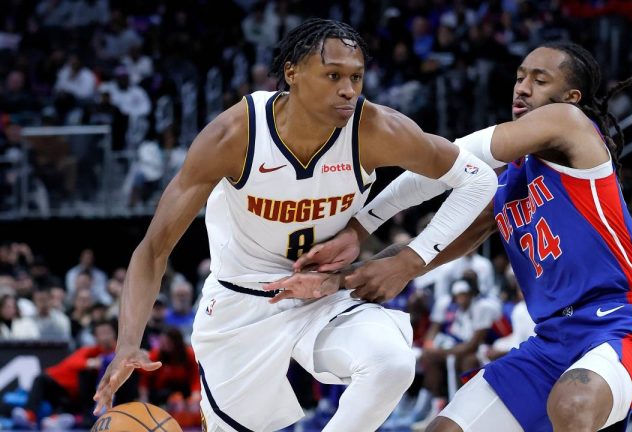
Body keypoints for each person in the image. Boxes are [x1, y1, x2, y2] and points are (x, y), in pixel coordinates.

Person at [92, 18, 497, 432]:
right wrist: (128, 342)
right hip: (240, 301)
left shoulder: (375, 128)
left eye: (356, 77)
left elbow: (479, 178)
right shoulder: (234, 135)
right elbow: (154, 249)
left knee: (390, 363)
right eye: (333, 75)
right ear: (292, 74)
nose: (348, 89)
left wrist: (410, 259)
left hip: (321, 292)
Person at [279, 41, 632, 431]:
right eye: (519, 78)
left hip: (621, 324)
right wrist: (336, 279)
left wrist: (363, 224)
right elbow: (428, 248)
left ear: (570, 97)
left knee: (572, 404)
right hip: (551, 341)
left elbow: (453, 159)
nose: (522, 87)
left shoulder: (571, 126)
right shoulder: (507, 183)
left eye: (539, 80)